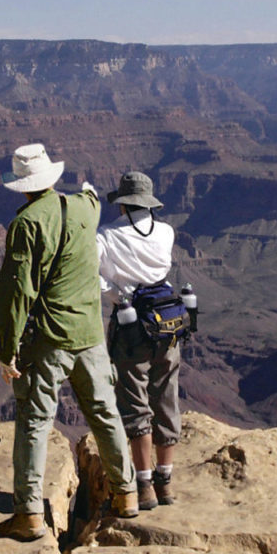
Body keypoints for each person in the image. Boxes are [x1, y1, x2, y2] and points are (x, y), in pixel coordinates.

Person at [0, 143, 136, 541]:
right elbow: (91, 194)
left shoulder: (26, 224)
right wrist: (88, 188)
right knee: (105, 413)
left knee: (35, 421)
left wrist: (6, 349)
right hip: (90, 334)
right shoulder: (85, 208)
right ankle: (127, 494)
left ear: (22, 186)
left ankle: (29, 515)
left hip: (50, 339)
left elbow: (16, 292)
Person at [97, 171, 184, 508]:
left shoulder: (105, 236)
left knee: (135, 402)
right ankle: (166, 482)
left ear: (122, 203)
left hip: (131, 327)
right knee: (166, 397)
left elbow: (95, 277)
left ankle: (144, 485)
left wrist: (117, 291)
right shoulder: (166, 231)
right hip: (168, 323)